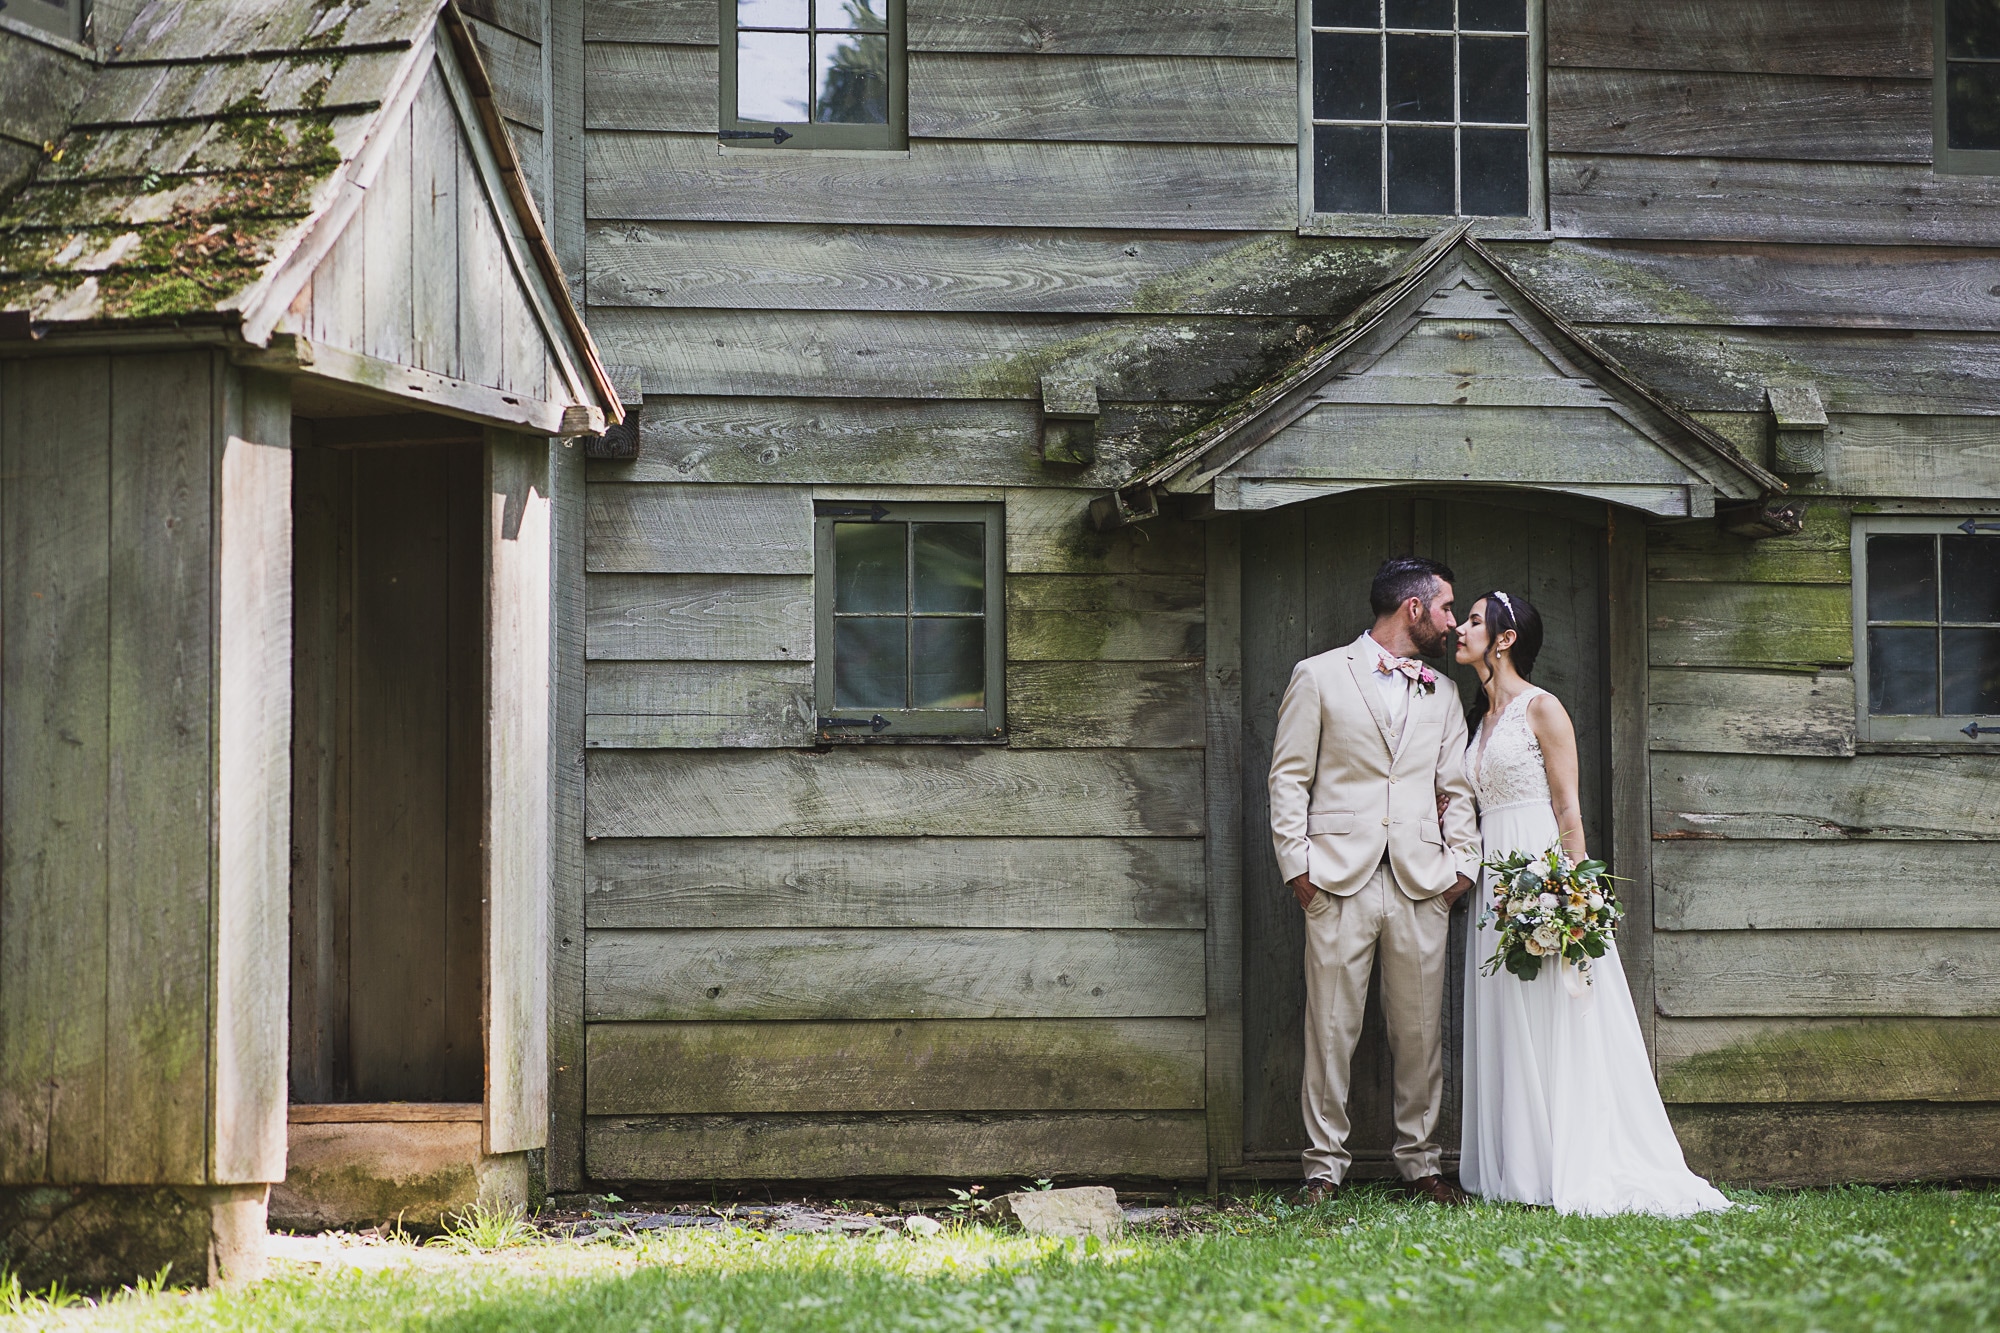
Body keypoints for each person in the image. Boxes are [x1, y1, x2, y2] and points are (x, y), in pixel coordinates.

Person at [1456, 589, 1730, 1215]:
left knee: (1558, 1010)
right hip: (1496, 877)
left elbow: (1567, 809)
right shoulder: (1481, 717)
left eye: (1475, 620)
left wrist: (1572, 894)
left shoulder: (1541, 708)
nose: (1462, 629)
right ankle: (1518, 1164)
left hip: (1540, 869)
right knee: (1510, 1010)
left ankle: (1569, 1159)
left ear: (1505, 638)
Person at [1267, 556, 1481, 1205]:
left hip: (1423, 883)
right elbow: (1288, 777)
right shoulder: (1319, 675)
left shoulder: (1442, 693)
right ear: (1413, 609)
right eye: (1446, 607)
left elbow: (1457, 789)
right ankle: (1322, 1167)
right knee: (1330, 1028)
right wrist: (1298, 867)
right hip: (1336, 879)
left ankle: (1421, 1163)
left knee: (1421, 1033)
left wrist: (1461, 867)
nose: (1452, 621)